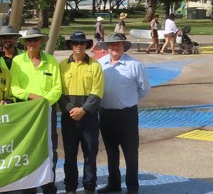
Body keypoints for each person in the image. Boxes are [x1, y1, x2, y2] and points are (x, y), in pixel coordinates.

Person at [9, 28, 63, 194]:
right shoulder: (18, 61)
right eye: (29, 41)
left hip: (47, 110)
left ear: (41, 42)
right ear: (25, 43)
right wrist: (33, 97)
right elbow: (14, 88)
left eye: (35, 40)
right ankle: (29, 185)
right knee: (27, 147)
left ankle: (48, 182)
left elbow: (57, 87)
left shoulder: (51, 61)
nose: (32, 44)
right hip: (27, 111)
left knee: (50, 146)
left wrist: (44, 101)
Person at [98, 33, 151, 194]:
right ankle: (113, 183)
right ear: (107, 47)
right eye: (112, 44)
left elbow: (144, 90)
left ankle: (132, 187)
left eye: (118, 44)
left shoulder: (135, 65)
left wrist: (128, 101)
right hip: (106, 114)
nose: (115, 47)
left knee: (130, 153)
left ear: (123, 46)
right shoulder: (100, 64)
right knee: (111, 152)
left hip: (126, 115)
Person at [59, 31, 104, 194]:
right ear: (71, 45)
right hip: (69, 117)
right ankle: (70, 188)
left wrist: (83, 110)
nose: (79, 46)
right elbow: (59, 93)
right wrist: (72, 110)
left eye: (82, 43)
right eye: (75, 43)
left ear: (86, 45)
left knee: (90, 154)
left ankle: (89, 187)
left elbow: (97, 92)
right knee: (70, 155)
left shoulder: (95, 65)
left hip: (89, 117)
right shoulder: (62, 66)